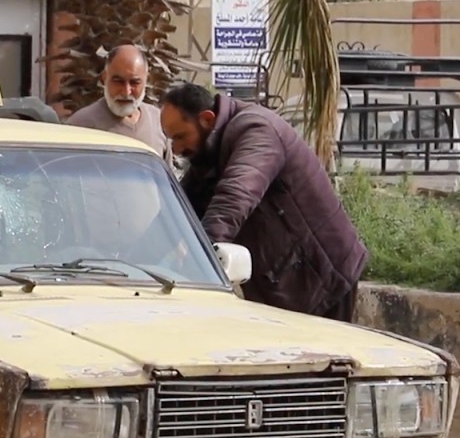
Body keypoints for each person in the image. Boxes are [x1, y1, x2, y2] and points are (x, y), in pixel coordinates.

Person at [158, 82, 368, 322]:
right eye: (170, 140)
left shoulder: (257, 130)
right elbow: (174, 214)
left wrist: (203, 266)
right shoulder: (208, 151)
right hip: (279, 283)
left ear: (206, 119)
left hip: (322, 277)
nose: (175, 149)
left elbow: (234, 198)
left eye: (180, 137)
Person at [65, 44, 172, 162]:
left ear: (147, 80)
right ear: (104, 78)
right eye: (118, 81)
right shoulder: (80, 126)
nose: (126, 92)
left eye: (134, 82)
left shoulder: (159, 122)